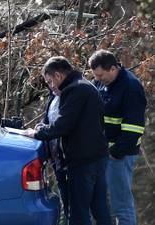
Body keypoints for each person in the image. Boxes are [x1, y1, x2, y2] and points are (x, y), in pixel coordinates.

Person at [21, 57, 110, 225]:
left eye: (49, 81)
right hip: (96, 157)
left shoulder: (74, 90)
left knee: (78, 214)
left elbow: (61, 126)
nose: (50, 86)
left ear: (58, 75)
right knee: (100, 209)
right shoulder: (84, 86)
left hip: (82, 161)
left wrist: (35, 133)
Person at [89, 50, 147, 225]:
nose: (98, 80)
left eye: (100, 75)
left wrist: (114, 153)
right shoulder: (101, 84)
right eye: (95, 76)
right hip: (105, 153)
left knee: (121, 206)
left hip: (120, 155)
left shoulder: (131, 87)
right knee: (104, 204)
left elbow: (134, 129)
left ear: (113, 68)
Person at [41, 81, 69, 224]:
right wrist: (40, 127)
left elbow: (60, 127)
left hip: (69, 160)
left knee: (77, 207)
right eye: (48, 82)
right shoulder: (52, 97)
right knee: (65, 204)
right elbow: (47, 122)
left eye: (52, 81)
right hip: (56, 160)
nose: (51, 85)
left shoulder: (70, 97)